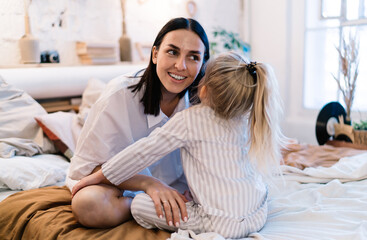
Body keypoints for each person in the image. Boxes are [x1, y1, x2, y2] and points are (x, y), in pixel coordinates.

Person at [72, 51, 286, 238]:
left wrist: (97, 176)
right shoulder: (249, 117)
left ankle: (135, 204)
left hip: (220, 223)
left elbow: (141, 152)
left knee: (139, 204)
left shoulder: (191, 119)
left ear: (204, 88)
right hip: (258, 213)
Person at [67, 17, 210, 228]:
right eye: (172, 52)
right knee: (88, 204)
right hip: (120, 188)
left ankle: (160, 206)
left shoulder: (203, 104)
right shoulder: (118, 96)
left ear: (202, 64)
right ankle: (143, 207)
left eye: (193, 57)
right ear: (154, 54)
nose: (181, 66)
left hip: (180, 191)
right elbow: (86, 169)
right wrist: (147, 183)